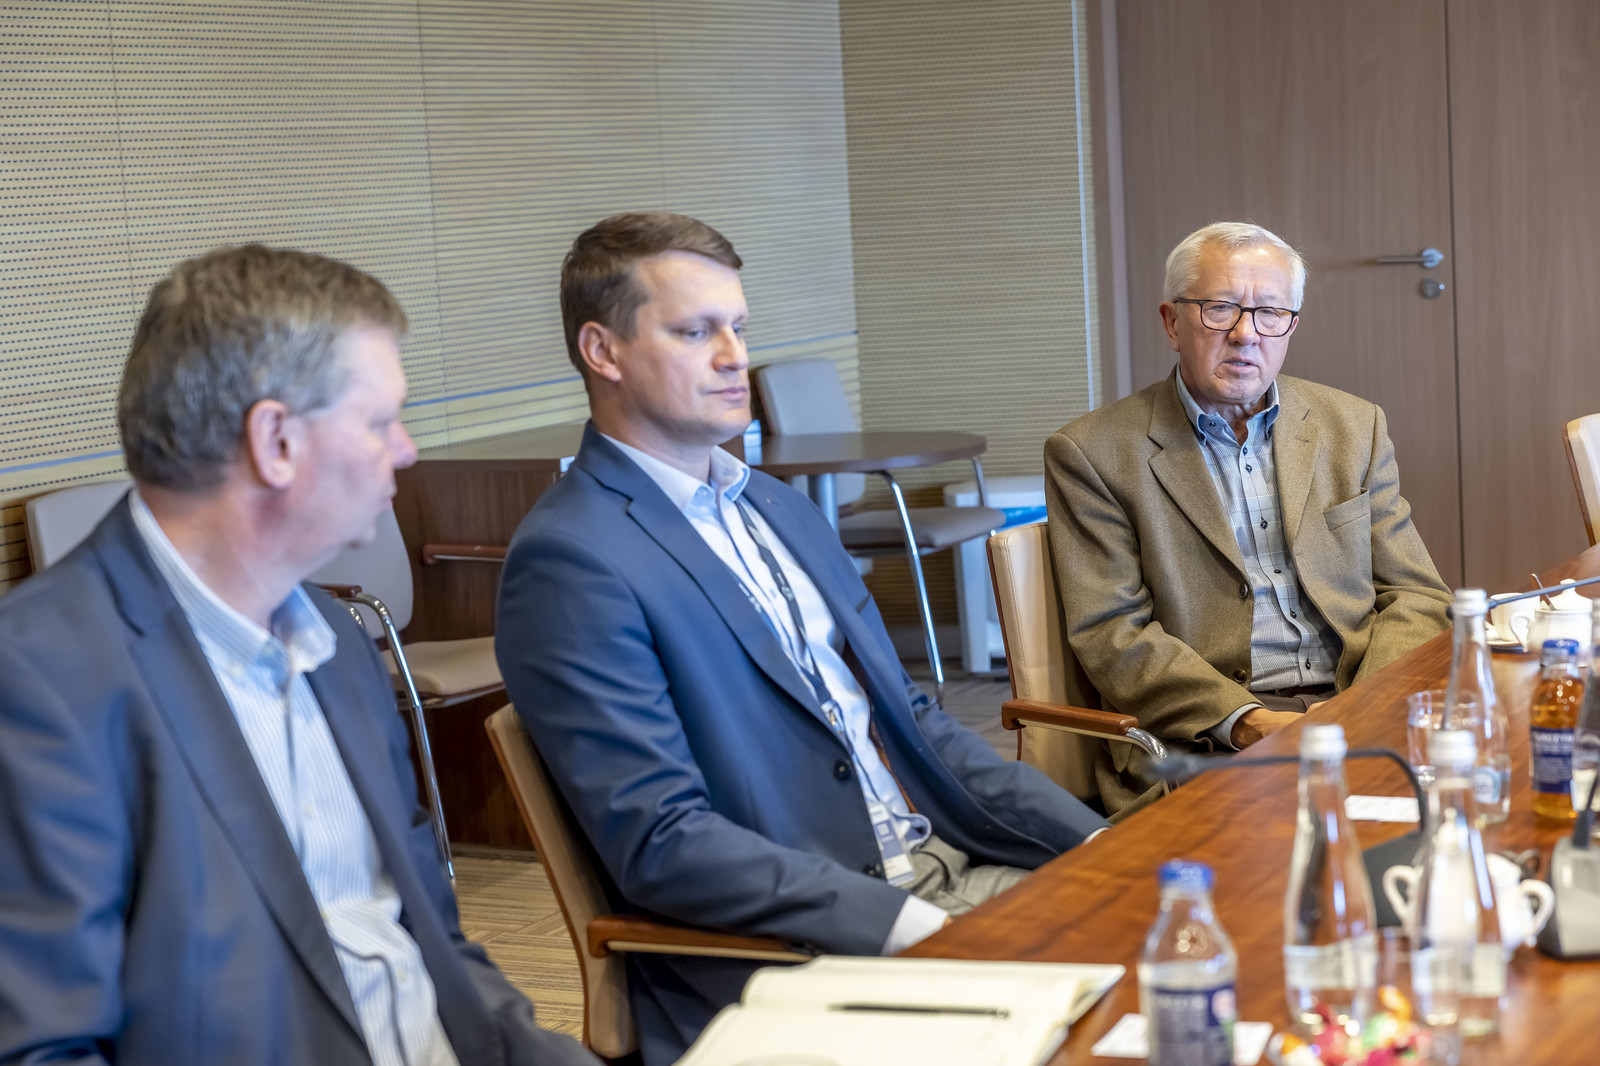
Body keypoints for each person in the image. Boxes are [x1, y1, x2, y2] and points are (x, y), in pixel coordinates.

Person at [495, 212, 1109, 1064]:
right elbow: (663, 842)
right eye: (695, 332)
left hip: (949, 865)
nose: (734, 357)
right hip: (809, 946)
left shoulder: (777, 507)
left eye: (739, 328)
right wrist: (909, 926)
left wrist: (1098, 841)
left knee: (1198, 949)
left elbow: (914, 722)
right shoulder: (572, 558)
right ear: (603, 351)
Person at [0, 246, 594, 1066]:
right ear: (275, 440)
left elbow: (428, 945)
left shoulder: (336, 641)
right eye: (380, 422)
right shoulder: (40, 682)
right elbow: (42, 1050)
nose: (407, 450)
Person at [1045, 221, 1451, 815]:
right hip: (1210, 737)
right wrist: (1250, 722)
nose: (1245, 334)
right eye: (1219, 309)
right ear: (1171, 322)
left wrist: (1364, 707)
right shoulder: (1093, 453)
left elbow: (1416, 592)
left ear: (1291, 326)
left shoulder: (1353, 426)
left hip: (1358, 701)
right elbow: (1112, 633)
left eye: (1269, 313)